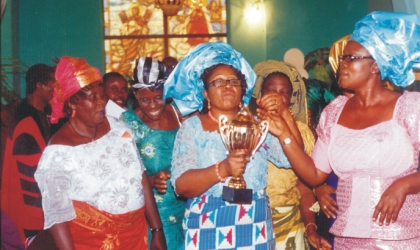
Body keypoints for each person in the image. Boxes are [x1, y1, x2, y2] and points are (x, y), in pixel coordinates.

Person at [259, 12, 420, 249]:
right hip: (348, 237)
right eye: (342, 59)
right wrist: (284, 133)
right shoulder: (334, 112)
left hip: (399, 235)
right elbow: (314, 174)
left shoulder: (409, 107)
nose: (341, 65)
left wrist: (403, 185)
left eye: (350, 58)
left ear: (375, 65)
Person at [163, 42, 299, 249]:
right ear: (206, 94)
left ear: (242, 90)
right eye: (218, 82)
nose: (227, 86)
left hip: (255, 222)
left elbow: (292, 159)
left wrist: (285, 117)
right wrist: (223, 169)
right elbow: (181, 186)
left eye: (233, 81)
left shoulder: (258, 124)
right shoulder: (192, 127)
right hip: (207, 222)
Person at [34, 56, 166, 249]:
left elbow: (141, 178)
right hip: (93, 242)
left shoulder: (119, 129)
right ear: (72, 104)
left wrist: (157, 230)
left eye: (102, 95)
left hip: (137, 237)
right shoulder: (59, 153)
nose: (101, 103)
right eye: (92, 98)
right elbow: (57, 215)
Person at [252, 60, 331, 250]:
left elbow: (304, 188)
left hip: (290, 224)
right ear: (260, 95)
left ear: (291, 99)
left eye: (284, 92)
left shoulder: (302, 132)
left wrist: (311, 226)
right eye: (271, 90)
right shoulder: (246, 127)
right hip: (252, 220)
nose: (277, 96)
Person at [120, 57, 185, 249]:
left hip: (186, 209)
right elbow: (124, 176)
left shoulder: (178, 114)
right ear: (135, 94)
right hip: (154, 216)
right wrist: (151, 180)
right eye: (144, 100)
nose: (153, 106)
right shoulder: (128, 123)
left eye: (158, 97)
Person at [1, 64, 55, 248]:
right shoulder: (25, 121)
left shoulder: (43, 114)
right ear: (39, 86)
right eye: (52, 84)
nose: (56, 89)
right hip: (29, 216)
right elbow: (28, 179)